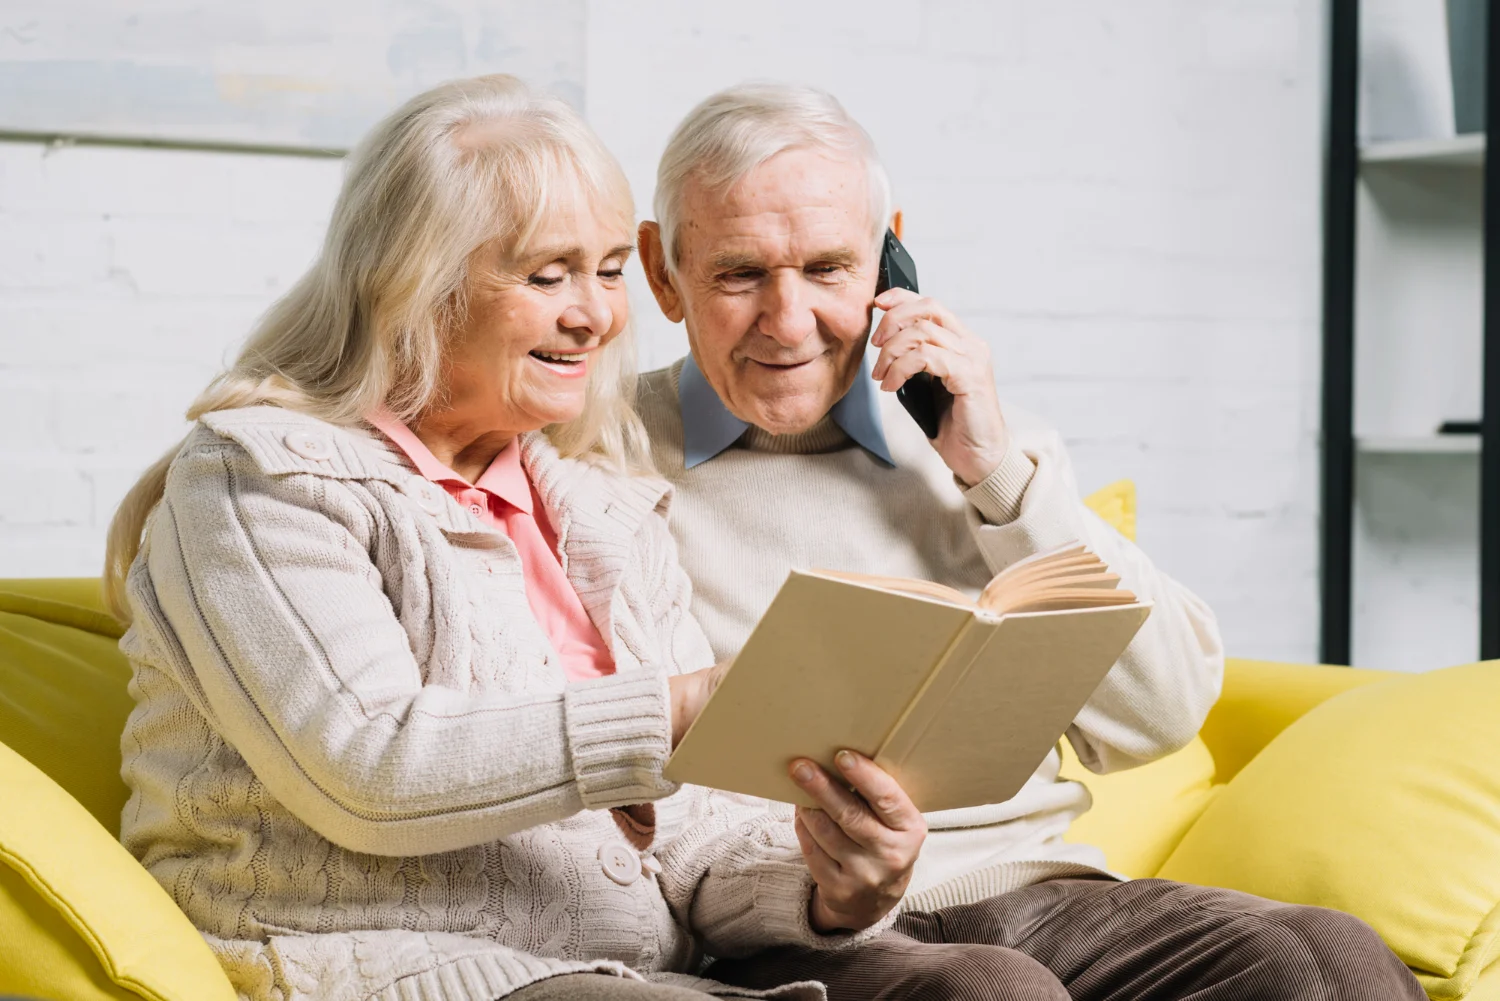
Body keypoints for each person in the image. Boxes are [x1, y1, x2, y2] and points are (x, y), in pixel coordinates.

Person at [102, 75, 929, 1001]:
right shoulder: (258, 481)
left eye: (611, 269)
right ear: (413, 283)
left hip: (637, 974)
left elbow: (695, 842)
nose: (598, 315)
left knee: (984, 986)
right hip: (389, 963)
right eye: (547, 275)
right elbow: (369, 765)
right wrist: (683, 705)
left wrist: (830, 886)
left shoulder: (599, 502)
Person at [632, 82, 1426, 999]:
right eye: (740, 273)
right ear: (663, 271)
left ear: (891, 252)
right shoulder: (594, 463)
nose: (789, 320)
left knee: (1328, 960)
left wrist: (995, 471)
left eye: (828, 269)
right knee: (993, 991)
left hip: (1046, 892)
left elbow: (1159, 715)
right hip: (800, 918)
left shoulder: (981, 440)